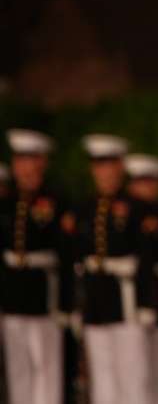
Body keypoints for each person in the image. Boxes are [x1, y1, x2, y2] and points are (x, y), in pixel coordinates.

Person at [68, 134, 158, 404]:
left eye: (109, 164)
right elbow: (75, 259)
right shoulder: (84, 208)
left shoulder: (138, 208)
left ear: (120, 167)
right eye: (99, 165)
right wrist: (74, 303)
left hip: (127, 300)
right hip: (96, 301)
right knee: (102, 377)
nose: (104, 172)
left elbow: (146, 260)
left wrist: (146, 303)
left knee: (132, 376)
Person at [0, 129, 65, 404]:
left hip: (43, 294)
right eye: (20, 160)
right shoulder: (7, 203)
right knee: (18, 367)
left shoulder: (55, 201)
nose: (24, 168)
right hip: (12, 293)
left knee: (46, 366)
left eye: (31, 160)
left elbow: (65, 252)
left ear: (42, 163)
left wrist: (67, 302)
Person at [124, 153, 158, 404]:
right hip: (124, 304)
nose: (142, 188)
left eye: (148, 182)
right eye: (137, 182)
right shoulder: (124, 215)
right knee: (130, 373)